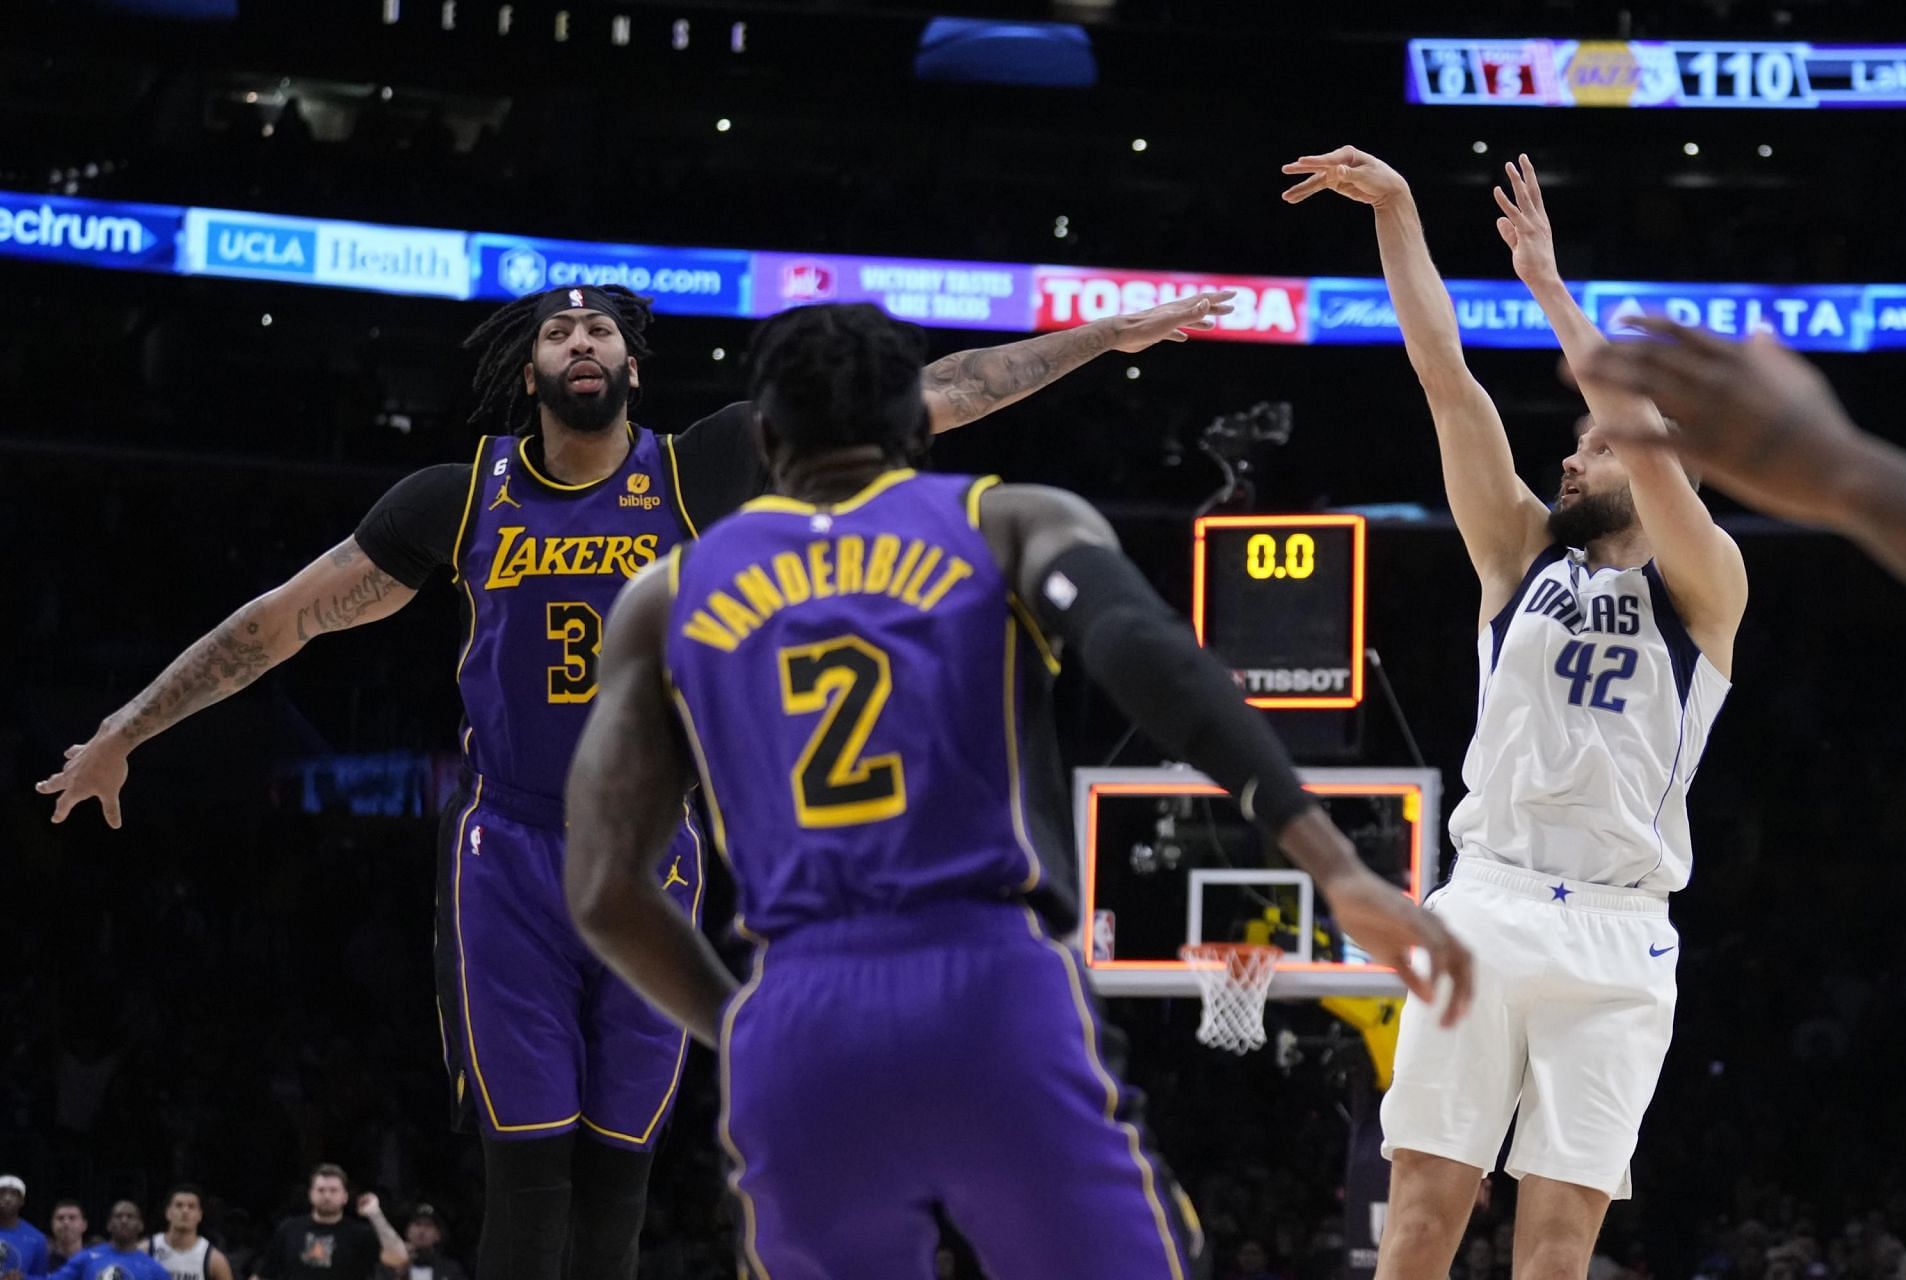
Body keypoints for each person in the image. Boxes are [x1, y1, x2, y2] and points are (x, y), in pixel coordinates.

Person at [35, 281, 1230, 1280]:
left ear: (631, 366)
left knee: (621, 1169)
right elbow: (276, 624)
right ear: (531, 371)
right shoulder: (457, 500)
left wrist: (1103, 337)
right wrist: (127, 728)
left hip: (653, 850)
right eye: (559, 332)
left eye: (601, 328)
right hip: (507, 857)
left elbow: (943, 391)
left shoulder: (705, 466)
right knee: (529, 1169)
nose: (582, 341)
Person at [563, 301, 1473, 1279]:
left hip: (798, 1014)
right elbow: (1153, 656)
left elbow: (604, 888)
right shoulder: (1003, 519)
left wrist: (745, 1023)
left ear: (765, 438)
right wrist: (1334, 866)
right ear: (918, 423)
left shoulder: (666, 594)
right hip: (989, 983)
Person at [1280, 146, 1748, 1279]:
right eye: (1576, 447)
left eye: (1592, 447)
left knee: (1555, 1244)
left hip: (1619, 928)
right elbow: (1446, 375)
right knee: (1424, 1217)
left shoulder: (1706, 585)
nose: (1572, 457)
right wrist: (1398, 210)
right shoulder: (1519, 554)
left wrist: (1546, 282)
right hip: (1485, 902)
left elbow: (1630, 429)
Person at [1573, 315, 1906, 595]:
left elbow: (1650, 460)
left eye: (1604, 450)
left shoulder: (1704, 561)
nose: (1571, 462)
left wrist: (1841, 475)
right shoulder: (1545, 550)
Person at [249, 1167, 405, 1280]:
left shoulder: (359, 1233)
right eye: (321, 1190)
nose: (327, 1196)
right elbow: (264, 1274)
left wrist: (376, 1215)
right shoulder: (289, 1229)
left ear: (345, 1196)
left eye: (333, 1190)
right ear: (310, 1194)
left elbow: (398, 1258)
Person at [48, 1202, 166, 1280]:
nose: (124, 1221)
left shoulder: (154, 1270)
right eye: (118, 1216)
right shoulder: (86, 1258)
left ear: (141, 1225)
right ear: (109, 1225)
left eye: (130, 1216)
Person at [145, 1186, 232, 1280]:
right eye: (179, 1205)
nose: (185, 1211)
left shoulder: (215, 1260)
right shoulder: (145, 1250)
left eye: (191, 1207)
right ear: (168, 1212)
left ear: (200, 1215)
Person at [381, 1207, 466, 1280]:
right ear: (408, 1232)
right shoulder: (390, 1268)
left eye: (428, 1225)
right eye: (418, 1224)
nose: (422, 1231)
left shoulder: (451, 1270)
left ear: (438, 1235)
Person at [0, 1175, 49, 1280]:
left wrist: (23, 1278)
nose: (7, 1198)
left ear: (22, 1201)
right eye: (2, 1193)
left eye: (14, 1194)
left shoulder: (37, 1239)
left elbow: (41, 1277)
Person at [46, 1203, 87, 1270]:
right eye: (60, 1218)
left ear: (84, 1225)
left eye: (72, 1218)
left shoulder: (94, 1262)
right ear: (52, 1224)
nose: (66, 1222)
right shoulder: (42, 1262)